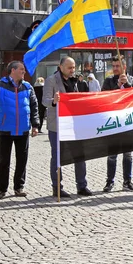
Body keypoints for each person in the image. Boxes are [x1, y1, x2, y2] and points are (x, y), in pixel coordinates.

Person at [0, 61, 39, 199]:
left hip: (23, 129)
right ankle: (1, 189)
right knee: (4, 161)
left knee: (22, 160)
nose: (24, 72)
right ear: (13, 70)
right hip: (6, 129)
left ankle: (19, 187)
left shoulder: (28, 87)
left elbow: (34, 106)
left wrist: (35, 125)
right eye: (21, 69)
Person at [43, 57, 92, 198]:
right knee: (57, 157)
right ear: (61, 67)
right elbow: (44, 101)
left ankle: (82, 185)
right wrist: (54, 101)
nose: (72, 70)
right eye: (69, 67)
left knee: (80, 156)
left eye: (74, 67)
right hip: (57, 126)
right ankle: (57, 187)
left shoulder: (77, 81)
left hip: (74, 124)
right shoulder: (51, 80)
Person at [102, 55, 133, 192]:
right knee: (112, 155)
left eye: (118, 66)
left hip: (128, 122)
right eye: (114, 66)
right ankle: (109, 181)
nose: (115, 69)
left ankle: (127, 181)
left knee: (128, 154)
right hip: (113, 122)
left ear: (124, 67)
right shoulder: (108, 81)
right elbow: (104, 99)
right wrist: (117, 87)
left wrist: (127, 85)